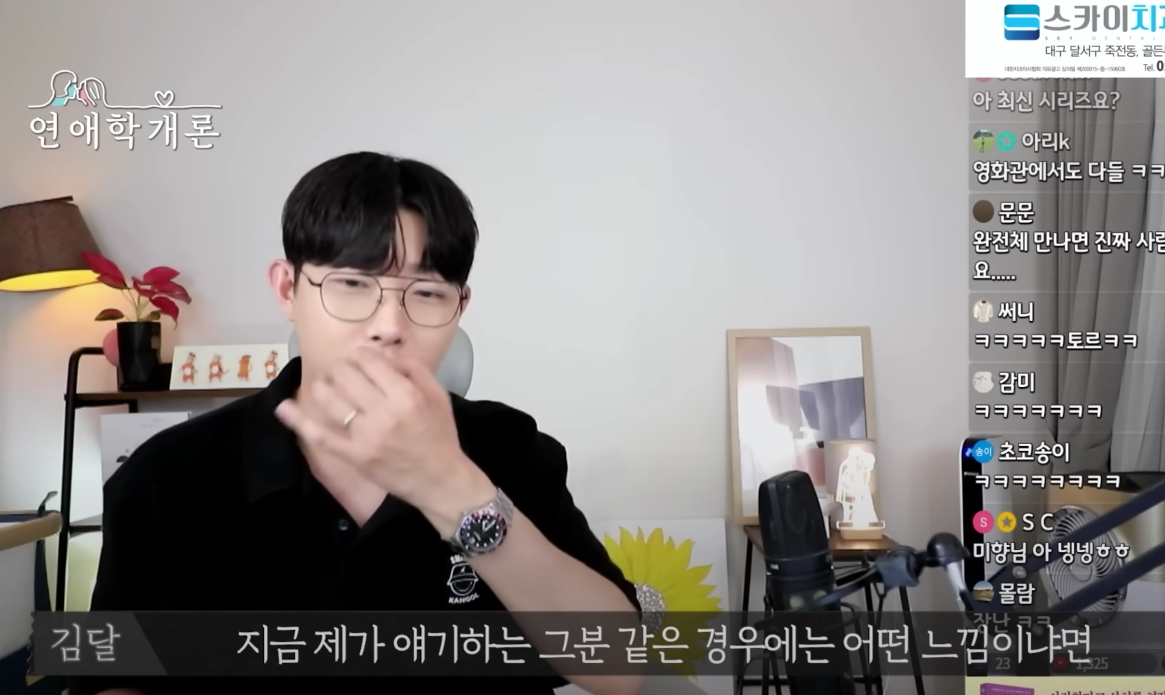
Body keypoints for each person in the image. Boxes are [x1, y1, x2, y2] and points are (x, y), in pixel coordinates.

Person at [71, 152, 643, 695]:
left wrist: (453, 489)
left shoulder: (510, 447)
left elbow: (620, 668)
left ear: (459, 307)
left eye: (427, 292)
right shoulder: (168, 474)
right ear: (288, 289)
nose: (389, 326)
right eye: (352, 283)